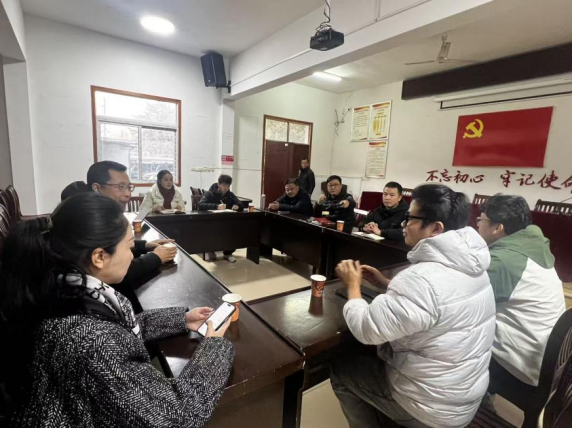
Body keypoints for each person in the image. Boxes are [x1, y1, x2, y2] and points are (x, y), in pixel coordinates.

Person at [0, 193, 234, 427]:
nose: (133, 255)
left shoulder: (59, 288)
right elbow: (176, 416)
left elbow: (116, 330)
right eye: (130, 247)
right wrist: (214, 346)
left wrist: (181, 320)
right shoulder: (93, 343)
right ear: (99, 256)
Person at [332, 184, 496, 428]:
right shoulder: (474, 267)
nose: (403, 224)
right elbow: (439, 302)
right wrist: (387, 284)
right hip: (463, 395)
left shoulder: (421, 278)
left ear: (436, 228)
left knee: (342, 369)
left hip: (429, 408)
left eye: (410, 218)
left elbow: (366, 330)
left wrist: (353, 286)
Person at [63, 161, 178, 313]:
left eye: (129, 187)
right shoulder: (90, 219)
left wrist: (145, 245)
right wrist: (156, 257)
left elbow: (112, 250)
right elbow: (116, 268)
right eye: (120, 187)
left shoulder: (101, 214)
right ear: (97, 188)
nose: (128, 194)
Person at [478, 194, 565, 392]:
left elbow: (456, 299)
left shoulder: (504, 260)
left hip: (521, 365)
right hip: (546, 356)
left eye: (480, 220)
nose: (478, 225)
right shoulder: (532, 245)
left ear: (497, 228)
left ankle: (472, 401)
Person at [199, 175, 243, 263]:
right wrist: (216, 206)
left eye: (228, 186)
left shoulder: (230, 195)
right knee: (213, 230)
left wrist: (237, 206)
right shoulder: (210, 193)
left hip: (226, 221)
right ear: (218, 184)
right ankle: (211, 249)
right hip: (212, 221)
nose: (226, 188)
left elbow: (240, 204)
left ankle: (228, 253)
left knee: (234, 229)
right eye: (223, 186)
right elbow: (201, 204)